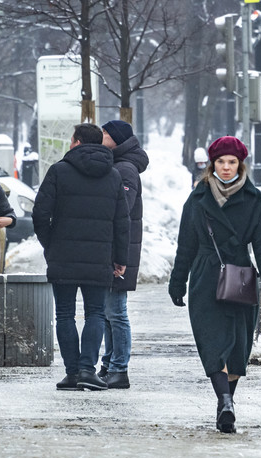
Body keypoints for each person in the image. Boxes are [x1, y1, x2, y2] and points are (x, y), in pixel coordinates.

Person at [168, 136, 261, 434]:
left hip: (240, 277)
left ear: (240, 164)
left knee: (237, 346)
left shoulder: (254, 200)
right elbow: (186, 244)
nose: (227, 167)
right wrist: (177, 281)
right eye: (221, 162)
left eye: (232, 162)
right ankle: (226, 401)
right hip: (206, 276)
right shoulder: (198, 198)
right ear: (212, 165)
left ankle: (225, 401)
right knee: (212, 341)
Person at [32, 123, 130, 391]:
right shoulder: (112, 175)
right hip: (100, 257)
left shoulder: (59, 171)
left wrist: (50, 244)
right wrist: (120, 257)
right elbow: (122, 221)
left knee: (65, 315)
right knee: (96, 313)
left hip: (62, 255)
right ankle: (88, 370)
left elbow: (40, 214)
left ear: (75, 142)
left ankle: (72, 373)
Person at [97, 119, 149, 389]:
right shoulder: (117, 164)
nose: (101, 135)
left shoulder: (125, 169)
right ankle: (109, 364)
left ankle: (119, 369)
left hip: (120, 248)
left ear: (116, 139)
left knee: (116, 311)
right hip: (114, 246)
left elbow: (122, 211)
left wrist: (118, 254)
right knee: (108, 312)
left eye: (105, 133)